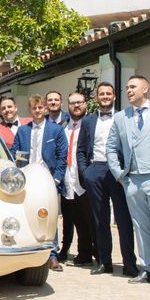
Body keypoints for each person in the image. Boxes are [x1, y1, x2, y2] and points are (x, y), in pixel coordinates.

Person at [106, 75, 150, 292]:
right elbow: (110, 148)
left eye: (133, 87)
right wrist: (119, 174)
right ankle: (147, 268)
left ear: (145, 89)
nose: (128, 90)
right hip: (133, 179)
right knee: (141, 226)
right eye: (127, 87)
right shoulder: (120, 117)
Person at [77, 82, 138, 277]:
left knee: (123, 219)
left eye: (108, 94)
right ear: (97, 97)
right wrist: (86, 172)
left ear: (114, 96)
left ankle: (129, 263)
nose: (105, 97)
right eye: (101, 94)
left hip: (118, 171)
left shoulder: (124, 117)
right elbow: (80, 149)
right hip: (95, 169)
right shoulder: (87, 121)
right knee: (99, 219)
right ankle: (104, 261)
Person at [11, 94, 68, 272]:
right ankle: (24, 251)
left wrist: (56, 179)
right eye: (34, 108)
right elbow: (14, 153)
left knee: (49, 217)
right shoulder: (23, 130)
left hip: (47, 179)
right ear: (30, 110)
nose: (37, 111)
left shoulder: (55, 130)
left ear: (45, 109)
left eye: (40, 107)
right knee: (25, 214)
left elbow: (62, 157)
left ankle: (52, 255)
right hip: (27, 178)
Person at [61, 92, 97, 266]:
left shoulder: (92, 123)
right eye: (73, 103)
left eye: (79, 103)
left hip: (86, 176)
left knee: (92, 218)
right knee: (78, 219)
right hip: (69, 177)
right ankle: (84, 253)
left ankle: (99, 252)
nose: (76, 106)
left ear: (86, 105)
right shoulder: (64, 126)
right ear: (68, 106)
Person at [44, 90, 74, 259]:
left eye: (56, 99)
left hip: (70, 172)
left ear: (61, 103)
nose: (53, 102)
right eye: (50, 100)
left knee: (70, 214)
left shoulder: (70, 119)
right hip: (51, 175)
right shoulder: (42, 122)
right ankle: (54, 250)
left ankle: (65, 248)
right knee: (52, 213)